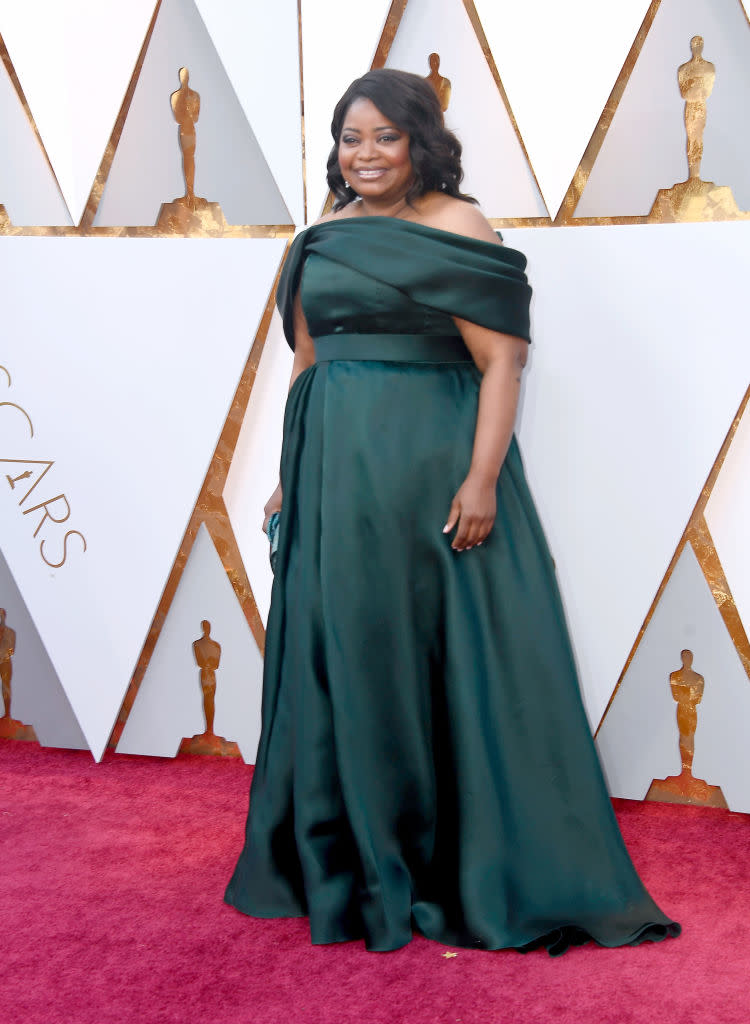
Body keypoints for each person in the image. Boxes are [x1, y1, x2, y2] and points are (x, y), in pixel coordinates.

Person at [225, 68, 680, 955]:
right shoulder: (320, 235)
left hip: (429, 462)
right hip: (333, 469)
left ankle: (443, 859)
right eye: (351, 139)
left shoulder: (459, 225)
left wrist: (481, 478)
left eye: (384, 138)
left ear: (419, 143)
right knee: (343, 644)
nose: (365, 155)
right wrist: (290, 471)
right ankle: (346, 850)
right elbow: (308, 360)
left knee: (427, 646)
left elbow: (501, 362)